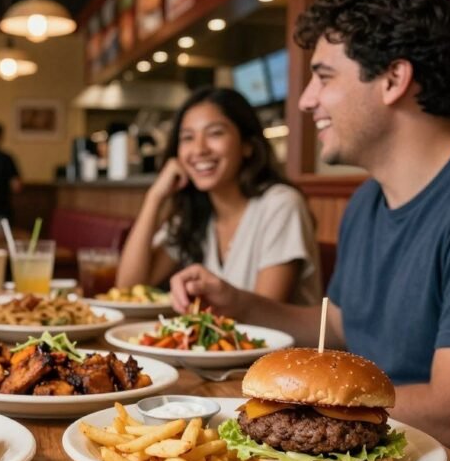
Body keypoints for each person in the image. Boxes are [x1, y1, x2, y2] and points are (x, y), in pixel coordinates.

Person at [170, 0, 450, 461]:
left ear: (394, 79)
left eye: (323, 77)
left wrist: (262, 403)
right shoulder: (368, 200)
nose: (306, 101)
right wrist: (239, 304)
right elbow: (342, 327)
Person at [118, 87, 320, 305]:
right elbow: (128, 290)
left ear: (247, 145)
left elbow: (264, 315)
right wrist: (154, 197)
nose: (199, 149)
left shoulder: (281, 205)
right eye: (187, 137)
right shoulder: (194, 215)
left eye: (215, 133)